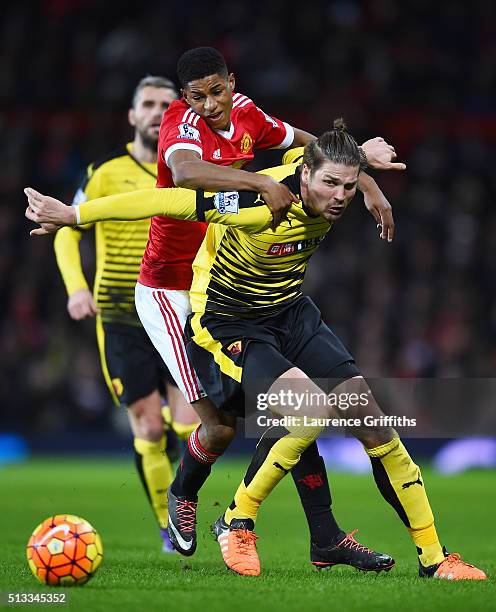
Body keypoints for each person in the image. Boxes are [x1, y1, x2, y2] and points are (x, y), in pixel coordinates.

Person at [24, 120, 487, 582]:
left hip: (289, 311)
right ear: (303, 176)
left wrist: (368, 177)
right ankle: (236, 519)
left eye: (348, 186)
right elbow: (170, 200)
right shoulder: (257, 204)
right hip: (229, 320)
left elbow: (337, 160)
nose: (341, 196)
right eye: (330, 183)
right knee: (299, 414)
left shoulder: (330, 182)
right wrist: (74, 216)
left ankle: (433, 557)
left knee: (374, 425)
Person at [128, 47, 403, 566]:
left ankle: (323, 534)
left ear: (232, 82)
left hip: (227, 284)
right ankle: (184, 494)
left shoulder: (248, 112)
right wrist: (259, 181)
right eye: (197, 96)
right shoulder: (178, 125)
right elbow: (185, 175)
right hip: (171, 292)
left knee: (298, 404)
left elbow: (318, 148)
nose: (209, 104)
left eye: (217, 90)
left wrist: (366, 182)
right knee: (219, 428)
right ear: (185, 98)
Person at [53, 76, 198, 553]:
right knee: (150, 427)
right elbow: (65, 231)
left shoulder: (190, 170)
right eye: (149, 104)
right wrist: (77, 289)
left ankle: (185, 503)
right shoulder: (103, 172)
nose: (158, 112)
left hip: (176, 308)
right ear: (133, 116)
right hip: (119, 315)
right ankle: (169, 526)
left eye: (167, 105)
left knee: (189, 425)